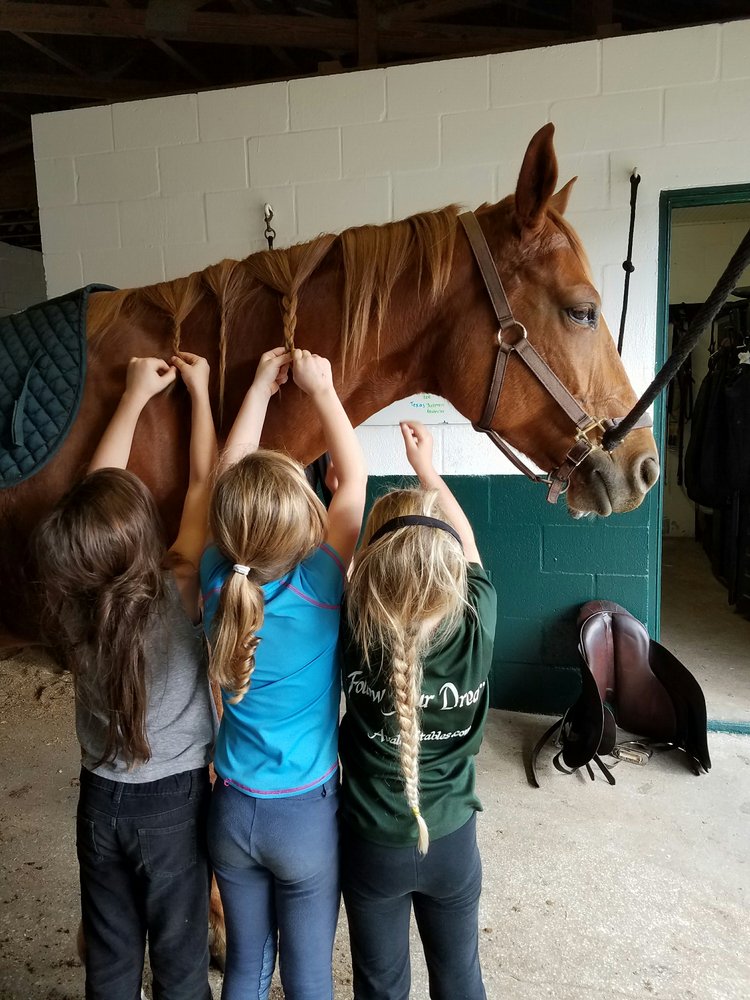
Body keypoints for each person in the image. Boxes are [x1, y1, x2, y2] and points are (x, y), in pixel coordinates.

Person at [34, 352, 218, 1000]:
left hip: (98, 805)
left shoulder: (71, 603)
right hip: (173, 806)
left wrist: (132, 392)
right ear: (147, 540)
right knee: (181, 962)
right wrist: (197, 393)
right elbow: (203, 484)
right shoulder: (183, 591)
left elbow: (92, 499)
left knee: (110, 964)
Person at [200, 347, 367, 1000]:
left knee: (244, 967)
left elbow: (226, 476)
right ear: (306, 525)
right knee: (308, 978)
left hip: (233, 810)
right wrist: (323, 392)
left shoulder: (217, 580)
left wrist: (259, 391)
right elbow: (352, 479)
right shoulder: (323, 584)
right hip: (305, 817)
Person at [338, 420, 498, 1000]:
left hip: (370, 843)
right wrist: (428, 469)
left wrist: (342, 490)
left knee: (380, 988)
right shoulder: (476, 621)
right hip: (452, 839)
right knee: (460, 980)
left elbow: (344, 563)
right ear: (452, 572)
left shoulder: (352, 625)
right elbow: (470, 542)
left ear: (368, 574)